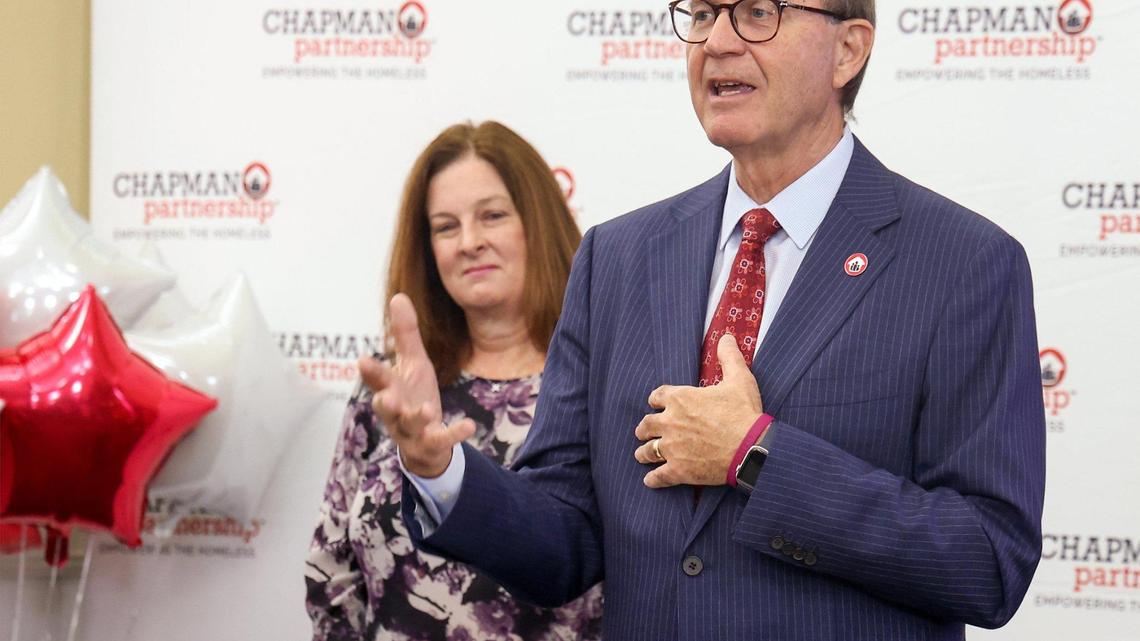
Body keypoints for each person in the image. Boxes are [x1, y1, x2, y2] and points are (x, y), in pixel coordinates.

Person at [362, 2, 1046, 640]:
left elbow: (988, 560)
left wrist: (756, 455)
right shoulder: (617, 258)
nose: (717, 41)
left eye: (757, 12)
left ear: (848, 51)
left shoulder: (963, 264)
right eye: (703, 12)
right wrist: (443, 469)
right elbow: (564, 542)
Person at [305, 121, 603, 641]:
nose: (470, 242)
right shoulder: (394, 388)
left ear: (540, 223)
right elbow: (332, 569)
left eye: (492, 216)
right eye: (445, 227)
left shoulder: (599, 384)